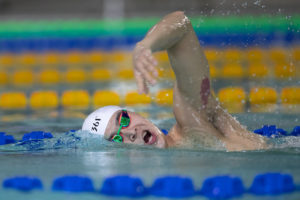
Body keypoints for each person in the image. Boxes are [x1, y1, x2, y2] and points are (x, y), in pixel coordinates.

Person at [82, 11, 267, 151]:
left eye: (122, 120)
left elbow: (182, 24)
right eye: (116, 138)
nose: (129, 133)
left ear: (134, 112)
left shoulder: (191, 120)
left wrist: (145, 45)